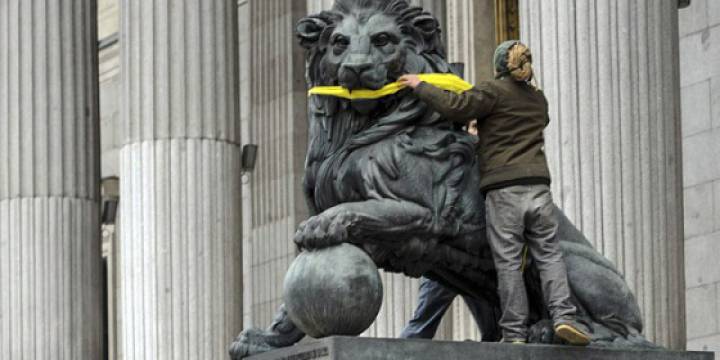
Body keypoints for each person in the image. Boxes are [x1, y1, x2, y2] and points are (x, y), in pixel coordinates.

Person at [398, 41, 591, 346]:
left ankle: (514, 333)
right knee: (550, 256)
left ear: (500, 66)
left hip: (505, 190)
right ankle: (564, 317)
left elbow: (456, 106)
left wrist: (421, 85)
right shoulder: (538, 100)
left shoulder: (493, 92)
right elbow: (534, 121)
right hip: (539, 188)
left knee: (509, 262)